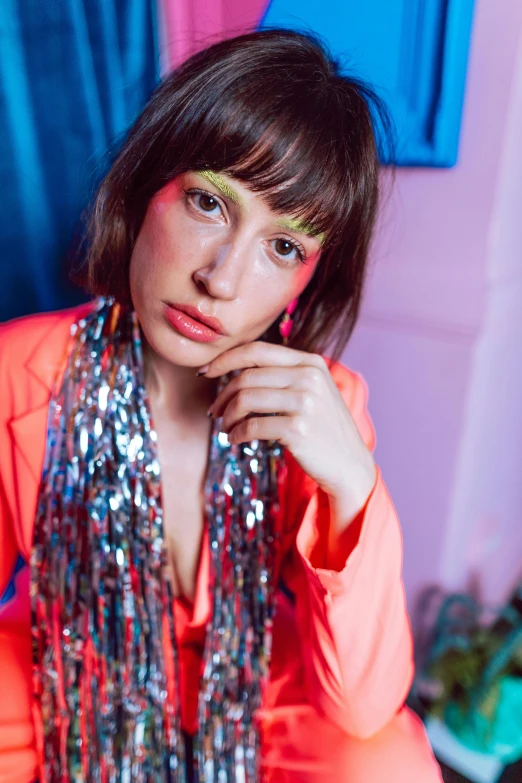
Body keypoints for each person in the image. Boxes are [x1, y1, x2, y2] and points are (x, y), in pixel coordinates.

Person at [0, 28, 442, 783]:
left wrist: (353, 487)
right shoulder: (18, 370)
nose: (223, 279)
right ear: (146, 187)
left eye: (283, 248)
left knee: (389, 761)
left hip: (251, 693)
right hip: (63, 667)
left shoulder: (325, 405)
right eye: (209, 202)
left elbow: (366, 707)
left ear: (309, 279)